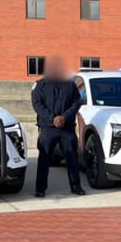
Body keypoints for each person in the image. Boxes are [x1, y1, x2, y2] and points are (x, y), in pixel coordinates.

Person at [31, 56, 85, 198]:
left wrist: (64, 117)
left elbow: (76, 102)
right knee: (44, 159)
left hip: (67, 128)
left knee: (72, 158)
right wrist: (52, 118)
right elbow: (37, 104)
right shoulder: (40, 85)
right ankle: (40, 188)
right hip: (48, 128)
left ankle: (76, 187)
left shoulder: (70, 85)